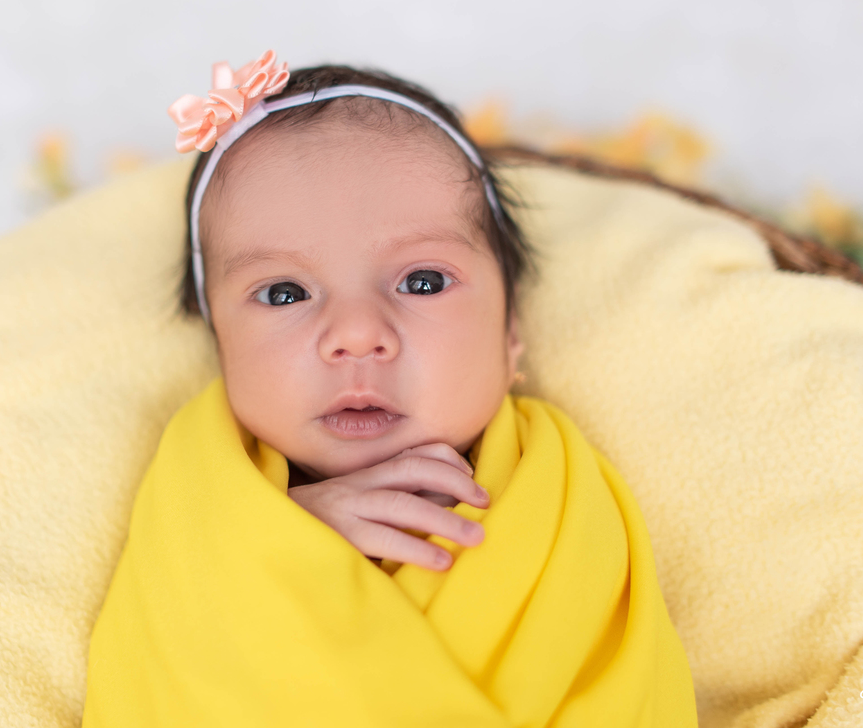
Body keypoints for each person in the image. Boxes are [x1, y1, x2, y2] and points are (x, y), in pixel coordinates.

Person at [82, 51, 698, 727]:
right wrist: (281, 541)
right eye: (284, 293)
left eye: (422, 281)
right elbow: (169, 644)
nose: (356, 333)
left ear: (510, 332)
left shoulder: (558, 488)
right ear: (218, 345)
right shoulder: (198, 491)